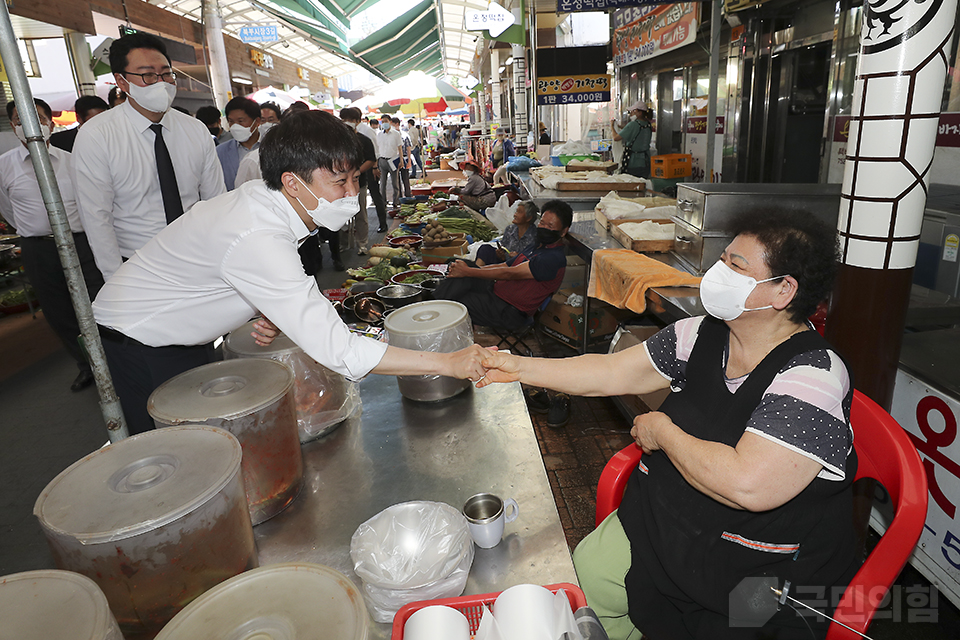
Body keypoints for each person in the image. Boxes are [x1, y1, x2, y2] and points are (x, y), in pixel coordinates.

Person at [478, 210, 858, 640]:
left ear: (783, 291)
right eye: (723, 259)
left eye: (736, 265)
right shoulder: (702, 335)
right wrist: (514, 366)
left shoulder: (813, 375)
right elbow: (609, 374)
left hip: (765, 571)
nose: (719, 272)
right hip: (674, 524)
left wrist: (662, 432)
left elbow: (749, 485)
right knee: (584, 579)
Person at [92, 110, 488, 435]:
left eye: (355, 179)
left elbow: (227, 272)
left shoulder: (274, 206)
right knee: (180, 450)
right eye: (340, 183)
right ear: (292, 182)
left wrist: (263, 306)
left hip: (177, 332)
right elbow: (342, 351)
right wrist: (446, 363)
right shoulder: (257, 234)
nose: (353, 194)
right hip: (137, 339)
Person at [72, 32, 225, 281]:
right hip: (137, 265)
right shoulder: (98, 135)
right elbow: (96, 217)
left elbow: (216, 201)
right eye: (148, 75)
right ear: (121, 82)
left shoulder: (194, 129)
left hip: (199, 257)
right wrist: (118, 280)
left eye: (166, 74)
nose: (160, 83)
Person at [0, 98, 104, 391]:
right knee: (59, 312)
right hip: (39, 249)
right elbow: (7, 209)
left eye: (40, 117)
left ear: (51, 122)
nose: (32, 125)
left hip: (81, 243)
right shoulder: (4, 167)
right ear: (13, 126)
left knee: (98, 302)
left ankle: (112, 359)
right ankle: (87, 366)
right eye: (22, 120)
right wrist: (35, 229)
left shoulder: (72, 161)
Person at [435, 199, 570, 333]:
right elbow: (505, 264)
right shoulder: (537, 246)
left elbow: (509, 273)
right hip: (495, 293)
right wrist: (469, 270)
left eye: (550, 226)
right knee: (455, 263)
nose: (544, 228)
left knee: (457, 301)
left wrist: (468, 272)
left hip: (509, 311)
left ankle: (434, 309)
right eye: (542, 223)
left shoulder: (552, 258)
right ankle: (436, 304)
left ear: (563, 232)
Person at [340, 107, 375, 254]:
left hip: (359, 184)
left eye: (351, 120)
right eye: (345, 119)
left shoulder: (364, 140)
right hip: (339, 186)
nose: (348, 122)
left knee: (361, 214)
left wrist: (357, 172)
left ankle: (362, 244)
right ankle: (342, 244)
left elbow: (371, 160)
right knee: (340, 216)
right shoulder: (336, 141)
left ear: (358, 121)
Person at [216, 97, 263, 190]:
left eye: (241, 121)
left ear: (257, 121)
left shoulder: (273, 147)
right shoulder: (220, 152)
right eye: (231, 121)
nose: (235, 126)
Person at [475, 200, 538, 267]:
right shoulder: (510, 229)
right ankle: (477, 271)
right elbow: (504, 248)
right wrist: (501, 254)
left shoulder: (535, 236)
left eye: (519, 212)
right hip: (504, 262)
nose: (515, 215)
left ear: (529, 218)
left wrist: (518, 257)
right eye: (516, 211)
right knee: (485, 249)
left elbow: (533, 259)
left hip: (519, 267)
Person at [612, 102, 653, 179]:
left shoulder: (633, 124)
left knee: (631, 184)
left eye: (633, 111)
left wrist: (612, 127)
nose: (631, 113)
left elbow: (616, 138)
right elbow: (631, 130)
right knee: (642, 184)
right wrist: (621, 127)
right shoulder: (648, 124)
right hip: (645, 162)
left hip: (633, 163)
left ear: (640, 113)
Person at [377, 115, 402, 215]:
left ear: (390, 122)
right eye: (382, 122)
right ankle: (383, 202)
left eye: (386, 121)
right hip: (382, 160)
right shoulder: (379, 135)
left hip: (393, 160)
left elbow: (399, 147)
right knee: (382, 184)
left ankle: (395, 202)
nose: (384, 123)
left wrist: (401, 160)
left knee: (395, 183)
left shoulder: (396, 134)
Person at [393, 117, 413, 199]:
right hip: (394, 159)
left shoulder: (404, 135)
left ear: (397, 124)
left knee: (405, 178)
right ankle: (399, 196)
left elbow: (408, 148)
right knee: (396, 180)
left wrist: (409, 160)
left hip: (404, 158)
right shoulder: (392, 135)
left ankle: (408, 195)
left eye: (392, 124)